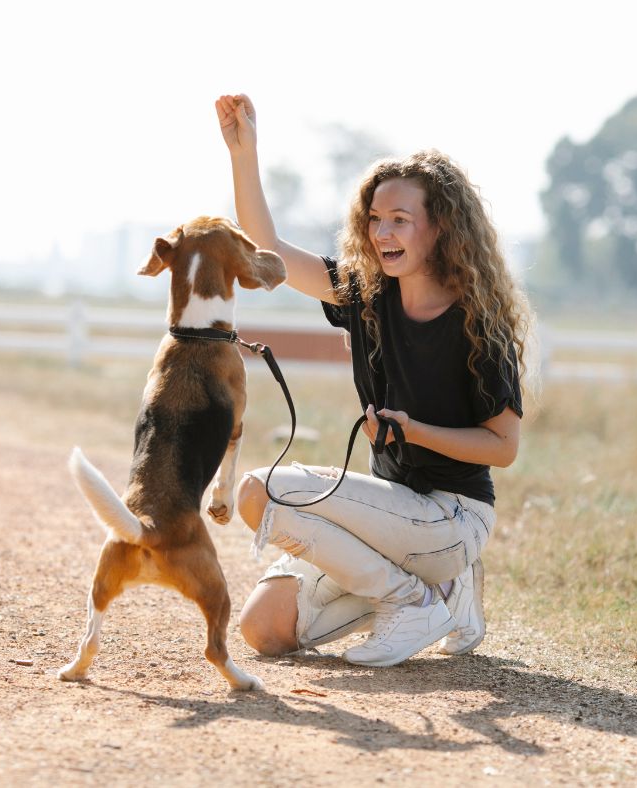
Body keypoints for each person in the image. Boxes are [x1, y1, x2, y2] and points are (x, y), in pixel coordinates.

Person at [215, 93, 534, 668]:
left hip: (452, 517)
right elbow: (270, 251)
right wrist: (244, 153)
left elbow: (504, 448)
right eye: (375, 219)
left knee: (257, 491)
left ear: (440, 229)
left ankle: (412, 598)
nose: (383, 232)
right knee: (264, 630)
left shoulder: (478, 324)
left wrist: (415, 430)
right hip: (390, 516)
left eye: (401, 220)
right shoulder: (365, 295)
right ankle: (443, 596)